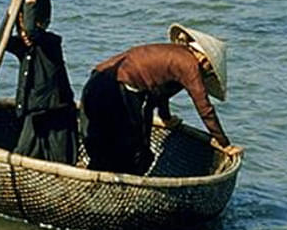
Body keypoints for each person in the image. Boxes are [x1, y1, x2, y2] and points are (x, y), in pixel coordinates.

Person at [80, 23, 242, 174]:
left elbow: (159, 93)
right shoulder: (189, 65)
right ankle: (122, 185)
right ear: (204, 59)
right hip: (117, 88)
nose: (207, 73)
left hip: (96, 80)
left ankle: (97, 178)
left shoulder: (173, 54)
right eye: (209, 69)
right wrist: (224, 143)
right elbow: (204, 108)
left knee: (103, 141)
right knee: (132, 150)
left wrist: (166, 117)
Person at [1, 0, 78, 164]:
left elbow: (32, 31)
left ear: (43, 23)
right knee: (23, 155)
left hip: (57, 114)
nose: (23, 32)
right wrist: (13, 5)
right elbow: (2, 40)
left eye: (28, 21)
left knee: (61, 161)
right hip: (34, 115)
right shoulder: (23, 48)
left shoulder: (50, 43)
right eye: (19, 26)